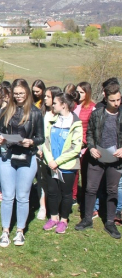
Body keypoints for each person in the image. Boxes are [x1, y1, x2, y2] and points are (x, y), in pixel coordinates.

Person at [0, 79, 44, 247]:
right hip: (7, 157)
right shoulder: (6, 110)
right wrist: (0, 138)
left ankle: (20, 231)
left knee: (23, 196)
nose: (18, 97)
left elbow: (41, 137)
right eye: (16, 94)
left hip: (27, 158)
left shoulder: (35, 113)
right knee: (8, 196)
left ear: (27, 93)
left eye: (21, 93)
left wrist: (31, 142)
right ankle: (5, 231)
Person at [75, 82, 122, 239]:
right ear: (106, 98)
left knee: (112, 191)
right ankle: (87, 219)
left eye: (119, 100)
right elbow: (89, 133)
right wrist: (92, 147)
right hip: (97, 158)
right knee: (90, 189)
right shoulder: (97, 114)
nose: (117, 103)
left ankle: (110, 222)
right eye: (113, 100)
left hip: (116, 160)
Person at [42, 93, 82, 234]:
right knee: (52, 192)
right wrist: (50, 160)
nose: (53, 105)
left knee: (66, 194)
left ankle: (64, 220)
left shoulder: (76, 124)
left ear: (64, 105)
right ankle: (53, 217)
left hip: (67, 166)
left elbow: (75, 148)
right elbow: (46, 141)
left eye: (55, 103)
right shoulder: (52, 121)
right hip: (51, 163)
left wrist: (57, 162)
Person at [36, 86, 62, 220]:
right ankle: (42, 206)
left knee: (55, 181)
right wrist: (39, 149)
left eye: (48, 96)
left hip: (55, 154)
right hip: (41, 152)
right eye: (45, 96)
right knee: (42, 180)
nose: (44, 98)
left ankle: (55, 206)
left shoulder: (61, 116)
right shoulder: (43, 113)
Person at [72, 82, 96, 208]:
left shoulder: (92, 107)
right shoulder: (73, 105)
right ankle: (74, 196)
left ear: (87, 93)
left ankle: (86, 198)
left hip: (85, 146)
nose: (79, 95)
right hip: (73, 144)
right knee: (74, 172)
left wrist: (85, 142)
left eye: (82, 92)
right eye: (77, 91)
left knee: (85, 173)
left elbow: (92, 129)